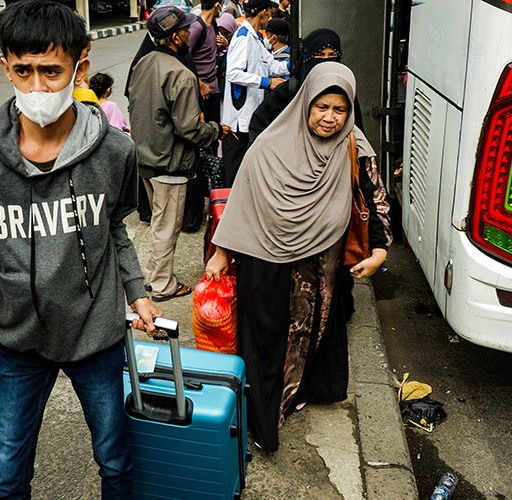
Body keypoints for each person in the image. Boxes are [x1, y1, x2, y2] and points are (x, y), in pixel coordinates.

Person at [0, 1, 161, 497]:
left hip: (96, 338)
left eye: (51, 71)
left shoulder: (115, 151)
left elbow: (114, 227)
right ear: (6, 68)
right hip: (21, 344)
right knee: (9, 476)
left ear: (80, 68)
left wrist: (137, 292)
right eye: (23, 71)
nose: (37, 86)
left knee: (115, 463)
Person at [206, 63, 389, 451]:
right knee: (266, 335)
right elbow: (240, 201)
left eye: (340, 109)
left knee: (310, 331)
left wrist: (380, 249)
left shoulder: (353, 145)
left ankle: (297, 393)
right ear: (305, 103)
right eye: (322, 106)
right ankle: (262, 418)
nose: (330, 117)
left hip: (321, 262)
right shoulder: (268, 147)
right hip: (264, 257)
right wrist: (221, 253)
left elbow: (374, 197)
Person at [128, 6, 230, 302]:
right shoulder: (181, 75)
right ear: (175, 37)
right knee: (166, 227)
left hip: (146, 158)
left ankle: (155, 277)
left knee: (159, 223)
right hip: (170, 163)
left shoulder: (143, 63)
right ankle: (162, 285)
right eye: (185, 30)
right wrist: (215, 130)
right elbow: (189, 129)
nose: (189, 33)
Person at [221, 0, 288, 186]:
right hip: (238, 122)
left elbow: (271, 65)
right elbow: (233, 73)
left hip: (250, 117)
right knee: (235, 176)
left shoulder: (256, 38)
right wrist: (267, 83)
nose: (271, 17)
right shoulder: (243, 37)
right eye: (270, 12)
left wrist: (293, 64)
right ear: (263, 12)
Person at [183, 0, 224, 232]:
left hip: (213, 91)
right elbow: (184, 58)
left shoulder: (212, 25)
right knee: (200, 145)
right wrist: (198, 84)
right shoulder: (197, 26)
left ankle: (210, 195)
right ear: (217, 4)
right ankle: (194, 208)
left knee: (212, 143)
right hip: (202, 94)